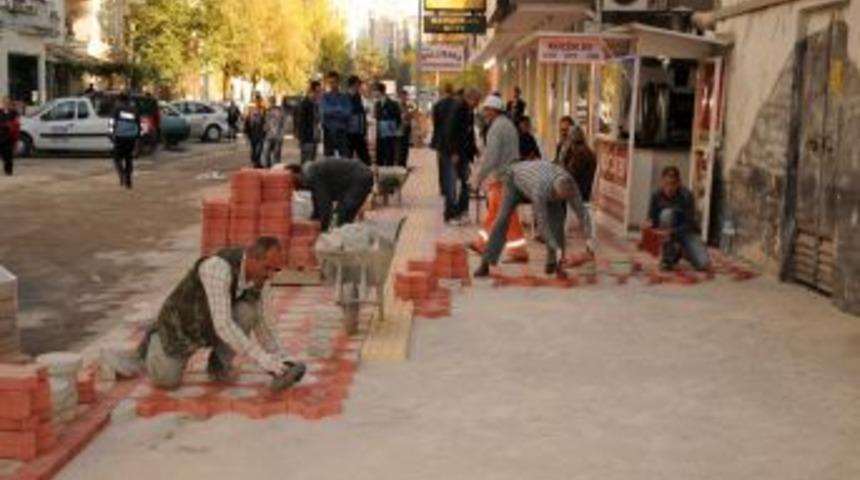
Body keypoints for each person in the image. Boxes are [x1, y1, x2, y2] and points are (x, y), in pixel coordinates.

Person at [135, 237, 306, 391]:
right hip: (181, 328)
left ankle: (218, 366)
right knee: (166, 380)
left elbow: (265, 323)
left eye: (275, 270)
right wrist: (262, 359)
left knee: (247, 312)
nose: (270, 275)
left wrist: (282, 359)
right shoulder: (217, 268)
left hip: (210, 326)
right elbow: (223, 325)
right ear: (252, 259)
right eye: (267, 268)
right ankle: (154, 334)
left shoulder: (261, 279)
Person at [474, 161, 595, 278]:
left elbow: (582, 212)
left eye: (562, 198)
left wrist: (590, 238)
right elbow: (542, 224)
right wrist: (555, 246)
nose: (559, 199)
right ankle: (485, 263)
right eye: (557, 196)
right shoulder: (540, 189)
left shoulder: (570, 185)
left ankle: (555, 264)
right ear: (554, 190)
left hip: (540, 182)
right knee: (503, 219)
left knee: (557, 220)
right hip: (514, 182)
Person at [471, 95, 529, 262]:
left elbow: (492, 156)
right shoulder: (506, 124)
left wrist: (478, 177)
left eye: (486, 110)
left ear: (493, 110)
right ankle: (483, 245)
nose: (484, 113)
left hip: (503, 178)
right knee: (499, 213)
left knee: (503, 214)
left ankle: (516, 251)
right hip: (507, 176)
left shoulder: (497, 128)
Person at [645, 166, 712, 271]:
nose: (669, 188)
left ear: (679, 183)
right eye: (666, 183)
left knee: (704, 264)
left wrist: (672, 233)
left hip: (686, 232)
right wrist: (649, 224)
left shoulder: (687, 195)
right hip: (667, 233)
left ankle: (682, 251)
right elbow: (652, 219)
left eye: (673, 184)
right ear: (662, 182)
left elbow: (689, 223)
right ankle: (667, 258)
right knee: (666, 214)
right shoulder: (656, 195)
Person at [288, 158, 374, 231]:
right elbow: (317, 205)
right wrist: (311, 223)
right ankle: (346, 238)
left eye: (292, 180)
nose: (293, 185)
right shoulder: (312, 174)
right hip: (356, 177)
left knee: (344, 212)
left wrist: (322, 229)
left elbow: (325, 204)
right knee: (343, 214)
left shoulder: (313, 174)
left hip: (360, 177)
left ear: (297, 174)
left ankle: (346, 242)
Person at [441, 88, 481, 224]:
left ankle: (462, 211)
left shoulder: (469, 111)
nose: (478, 104)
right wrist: (453, 152)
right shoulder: (458, 108)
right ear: (470, 98)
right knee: (452, 185)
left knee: (465, 183)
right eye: (477, 101)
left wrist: (475, 149)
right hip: (454, 153)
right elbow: (450, 132)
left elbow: (469, 134)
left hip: (464, 153)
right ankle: (450, 215)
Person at [554, 117, 596, 203]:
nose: (563, 133)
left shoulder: (580, 152)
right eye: (561, 130)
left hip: (579, 193)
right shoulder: (562, 146)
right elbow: (557, 163)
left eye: (566, 130)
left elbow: (571, 174)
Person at [431, 83, 458, 196]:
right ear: (452, 91)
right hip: (454, 140)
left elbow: (435, 124)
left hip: (441, 140)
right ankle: (451, 187)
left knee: (442, 165)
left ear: (443, 92)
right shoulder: (458, 105)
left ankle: (443, 188)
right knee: (453, 164)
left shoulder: (437, 105)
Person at [110, 92, 141, 189]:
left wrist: (111, 134)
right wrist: (137, 138)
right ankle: (128, 180)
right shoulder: (134, 110)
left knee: (116, 158)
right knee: (128, 158)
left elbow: (112, 122)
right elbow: (138, 125)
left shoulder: (117, 109)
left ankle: (122, 174)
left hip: (120, 136)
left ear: (120, 100)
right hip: (131, 137)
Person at [320, 71, 351, 158]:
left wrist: (332, 110)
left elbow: (347, 113)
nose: (332, 84)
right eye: (330, 82)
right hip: (329, 131)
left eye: (334, 82)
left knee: (344, 159)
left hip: (342, 132)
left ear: (338, 82)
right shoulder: (325, 97)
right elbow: (325, 110)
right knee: (329, 160)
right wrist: (339, 108)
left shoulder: (345, 97)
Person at [373, 82, 401, 167]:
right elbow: (376, 117)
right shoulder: (377, 104)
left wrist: (394, 128)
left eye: (375, 91)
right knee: (380, 154)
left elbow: (398, 118)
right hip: (380, 132)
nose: (374, 93)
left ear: (380, 91)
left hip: (390, 132)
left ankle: (389, 172)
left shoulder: (393, 104)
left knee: (389, 154)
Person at [345, 75, 371, 165]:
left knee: (366, 159)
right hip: (348, 134)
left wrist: (364, 131)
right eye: (358, 84)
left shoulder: (358, 97)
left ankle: (367, 176)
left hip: (359, 133)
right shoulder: (344, 97)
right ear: (353, 85)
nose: (359, 86)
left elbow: (362, 114)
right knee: (347, 160)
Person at [296, 80, 322, 164]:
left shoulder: (316, 105)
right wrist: (302, 140)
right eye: (317, 92)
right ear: (311, 91)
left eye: (319, 92)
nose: (319, 94)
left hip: (314, 139)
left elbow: (317, 121)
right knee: (305, 164)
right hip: (307, 140)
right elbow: (300, 124)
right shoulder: (304, 104)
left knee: (312, 164)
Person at [262, 96, 286, 168]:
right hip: (269, 135)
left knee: (276, 154)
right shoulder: (266, 111)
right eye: (270, 101)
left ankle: (276, 168)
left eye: (272, 101)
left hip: (277, 136)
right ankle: (268, 167)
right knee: (266, 152)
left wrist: (281, 134)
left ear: (274, 102)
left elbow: (282, 122)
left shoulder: (279, 110)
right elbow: (265, 122)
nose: (271, 103)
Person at [244, 95, 266, 168]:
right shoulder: (251, 110)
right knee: (254, 148)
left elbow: (265, 121)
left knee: (259, 148)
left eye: (259, 101)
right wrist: (246, 132)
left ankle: (257, 162)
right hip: (253, 132)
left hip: (260, 132)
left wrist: (265, 131)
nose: (258, 102)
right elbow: (247, 120)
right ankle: (255, 162)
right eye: (257, 101)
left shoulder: (263, 110)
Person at [0, 97, 20, 176]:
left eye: (7, 102)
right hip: (0, 135)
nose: (6, 104)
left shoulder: (14, 112)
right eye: (4, 102)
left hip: (9, 136)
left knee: (8, 155)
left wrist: (12, 126)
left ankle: (8, 171)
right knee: (2, 154)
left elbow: (17, 123)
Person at [395, 89, 414, 168]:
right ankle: (400, 164)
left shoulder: (406, 105)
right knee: (401, 147)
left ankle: (403, 163)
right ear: (400, 96)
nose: (406, 97)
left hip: (406, 128)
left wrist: (410, 114)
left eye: (406, 96)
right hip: (400, 129)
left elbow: (408, 117)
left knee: (405, 147)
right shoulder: (398, 106)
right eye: (404, 96)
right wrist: (409, 114)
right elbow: (402, 117)